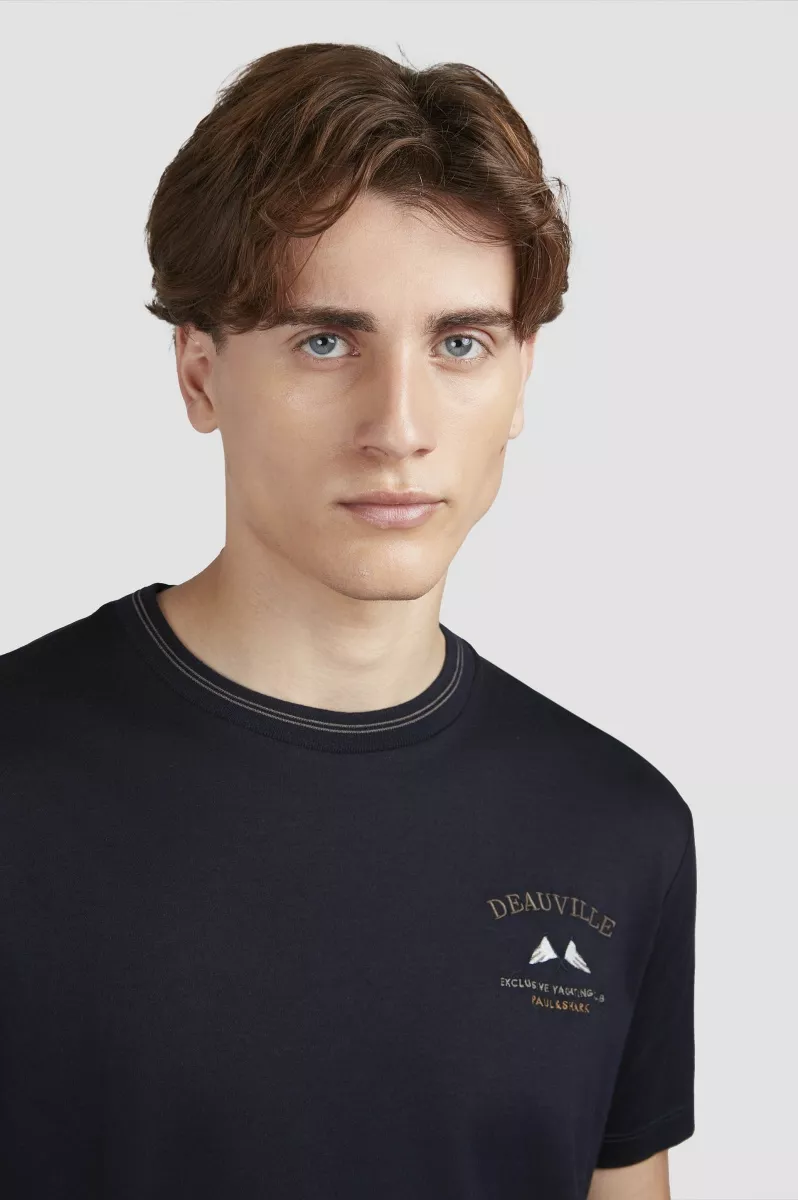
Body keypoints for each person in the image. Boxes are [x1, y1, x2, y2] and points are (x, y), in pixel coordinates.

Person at [0, 42, 696, 1200]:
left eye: (460, 343)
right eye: (326, 341)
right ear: (200, 373)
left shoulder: (619, 829)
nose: (399, 426)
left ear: (521, 377)